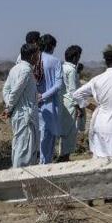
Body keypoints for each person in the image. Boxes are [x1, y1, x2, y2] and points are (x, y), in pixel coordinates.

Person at [3, 43, 41, 168]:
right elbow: (15, 92)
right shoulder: (25, 70)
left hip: (19, 114)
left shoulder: (15, 69)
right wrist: (9, 108)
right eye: (37, 55)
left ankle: (19, 174)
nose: (38, 58)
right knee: (24, 147)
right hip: (25, 116)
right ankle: (20, 176)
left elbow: (6, 90)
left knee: (19, 144)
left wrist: (9, 106)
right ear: (31, 56)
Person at [36, 34, 65, 164]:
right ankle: (44, 167)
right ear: (51, 46)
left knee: (38, 137)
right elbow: (58, 85)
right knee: (48, 138)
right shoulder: (55, 61)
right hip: (49, 105)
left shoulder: (33, 59)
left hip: (34, 105)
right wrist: (43, 96)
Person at [57, 45, 83, 161]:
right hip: (71, 104)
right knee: (70, 132)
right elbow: (73, 90)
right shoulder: (72, 70)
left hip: (63, 102)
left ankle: (62, 155)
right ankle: (64, 157)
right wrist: (78, 106)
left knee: (64, 131)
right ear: (75, 57)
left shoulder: (62, 67)